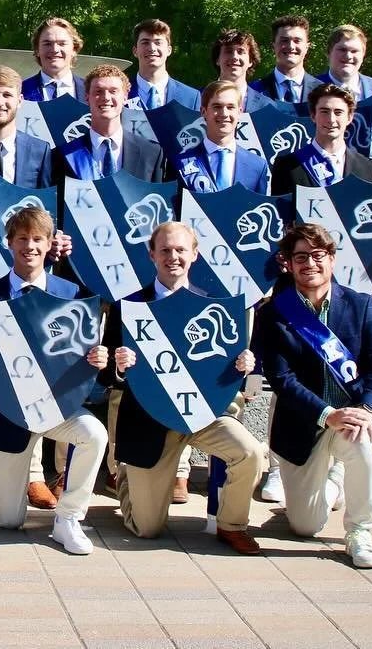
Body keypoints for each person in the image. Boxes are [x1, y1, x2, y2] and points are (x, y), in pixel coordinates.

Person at [112, 222, 265, 554]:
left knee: (251, 453)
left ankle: (231, 525)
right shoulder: (129, 307)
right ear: (152, 254)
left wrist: (244, 367)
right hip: (150, 421)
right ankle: (129, 478)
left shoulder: (215, 306)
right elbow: (106, 379)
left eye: (181, 250)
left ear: (194, 255)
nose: (173, 257)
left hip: (205, 415)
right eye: (165, 250)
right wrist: (119, 366)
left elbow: (233, 375)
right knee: (147, 529)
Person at [0, 207, 111, 555]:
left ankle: (69, 519)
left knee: (94, 434)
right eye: (22, 239)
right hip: (8, 412)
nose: (29, 246)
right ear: (9, 243)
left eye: (38, 239)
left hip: (56, 407)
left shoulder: (74, 294)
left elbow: (85, 354)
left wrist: (98, 359)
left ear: (50, 244)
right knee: (8, 520)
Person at [256, 223, 372, 569]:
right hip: (305, 425)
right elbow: (282, 380)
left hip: (350, 417)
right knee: (306, 526)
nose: (310, 264)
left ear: (332, 259)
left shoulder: (360, 306)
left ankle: (360, 530)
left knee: (363, 435)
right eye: (300, 257)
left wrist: (366, 408)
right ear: (288, 263)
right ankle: (335, 478)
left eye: (318, 255)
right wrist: (326, 415)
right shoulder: (275, 314)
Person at [52, 64, 167, 183]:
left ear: (125, 97)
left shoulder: (151, 153)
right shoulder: (63, 155)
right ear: (87, 97)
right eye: (98, 91)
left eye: (113, 91)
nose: (106, 97)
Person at [270, 84, 372, 197]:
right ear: (313, 115)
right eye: (324, 111)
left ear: (349, 117)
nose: (331, 120)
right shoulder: (287, 166)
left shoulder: (369, 169)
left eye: (338, 112)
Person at [174, 80, 270, 193]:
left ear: (240, 112)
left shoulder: (257, 166)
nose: (224, 114)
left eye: (230, 107)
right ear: (203, 111)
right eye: (217, 106)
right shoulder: (180, 163)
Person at [128, 19, 200, 110]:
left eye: (158, 43)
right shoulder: (119, 93)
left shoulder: (191, 97)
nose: (152, 48)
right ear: (135, 51)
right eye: (145, 42)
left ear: (169, 50)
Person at [251, 15, 321, 105]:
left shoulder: (322, 92)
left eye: (297, 41)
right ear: (273, 46)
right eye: (284, 40)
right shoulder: (254, 91)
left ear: (307, 47)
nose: (291, 46)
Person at [318, 25, 372, 101]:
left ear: (363, 54)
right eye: (342, 50)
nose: (348, 56)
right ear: (328, 52)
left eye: (354, 51)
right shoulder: (310, 89)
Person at [21, 18, 85, 101]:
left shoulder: (90, 91)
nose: (55, 49)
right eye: (47, 44)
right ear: (37, 50)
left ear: (74, 49)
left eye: (62, 44)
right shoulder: (20, 91)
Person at [211, 29, 270, 112]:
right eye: (229, 51)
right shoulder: (199, 100)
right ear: (217, 59)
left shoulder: (266, 106)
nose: (235, 57)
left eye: (240, 51)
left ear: (250, 61)